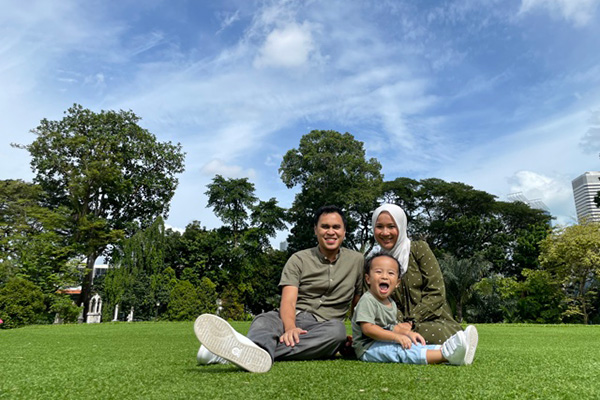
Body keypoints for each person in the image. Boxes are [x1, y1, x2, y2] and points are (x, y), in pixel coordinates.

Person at [194, 205, 364, 373]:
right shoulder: (298, 259)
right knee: (263, 321)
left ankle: (240, 351)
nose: (330, 232)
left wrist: (357, 340)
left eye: (336, 227)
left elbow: (357, 305)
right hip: (287, 316)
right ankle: (250, 350)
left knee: (337, 333)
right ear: (315, 230)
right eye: (325, 226)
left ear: (344, 231)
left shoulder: (357, 261)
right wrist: (290, 328)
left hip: (323, 326)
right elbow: (288, 300)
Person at [371, 203, 474, 348]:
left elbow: (436, 291)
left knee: (438, 332)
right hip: (394, 323)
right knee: (382, 332)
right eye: (379, 226)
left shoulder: (419, 249)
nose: (385, 232)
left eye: (391, 226)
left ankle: (456, 342)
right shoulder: (374, 263)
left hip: (432, 319)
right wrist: (400, 324)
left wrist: (411, 321)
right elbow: (378, 301)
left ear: (401, 226)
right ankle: (452, 346)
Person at [352, 252, 477, 365]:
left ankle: (450, 348)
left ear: (397, 283)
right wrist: (396, 337)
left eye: (390, 273)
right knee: (400, 351)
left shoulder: (390, 302)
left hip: (381, 342)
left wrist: (407, 333)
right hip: (367, 348)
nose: (384, 276)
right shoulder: (367, 300)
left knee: (411, 345)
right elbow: (368, 329)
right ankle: (445, 356)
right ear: (368, 279)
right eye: (379, 272)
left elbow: (390, 326)